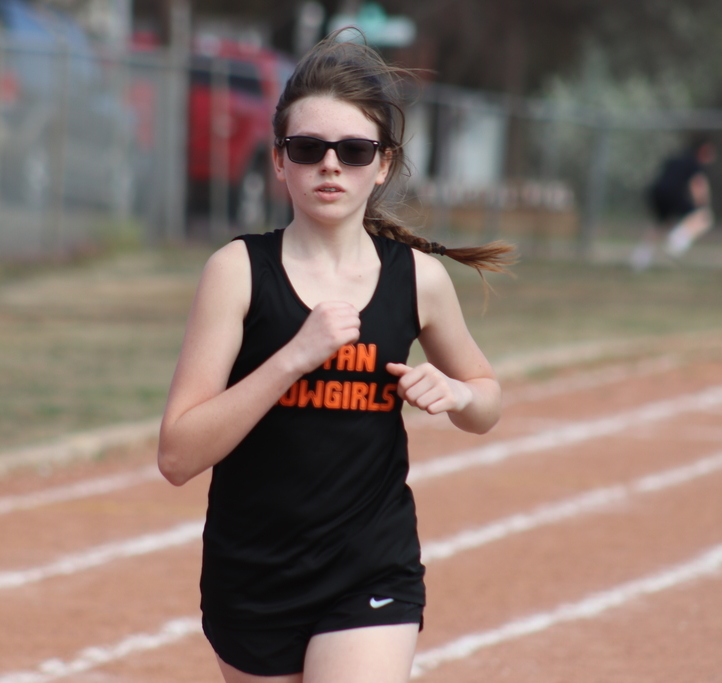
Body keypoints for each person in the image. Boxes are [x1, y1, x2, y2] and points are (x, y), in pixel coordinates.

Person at [157, 31, 516, 683]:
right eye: (308, 148)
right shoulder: (237, 273)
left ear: (382, 164)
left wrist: (461, 395)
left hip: (370, 570)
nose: (330, 165)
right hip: (253, 578)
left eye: (353, 151)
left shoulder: (417, 279)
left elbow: (487, 399)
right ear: (278, 161)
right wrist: (295, 356)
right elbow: (178, 455)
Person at [630, 138, 716, 271]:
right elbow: (698, 186)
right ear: (703, 150)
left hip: (656, 192)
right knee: (705, 218)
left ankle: (639, 259)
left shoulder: (676, 159)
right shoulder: (695, 164)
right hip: (672, 193)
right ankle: (676, 242)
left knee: (661, 224)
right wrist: (701, 206)